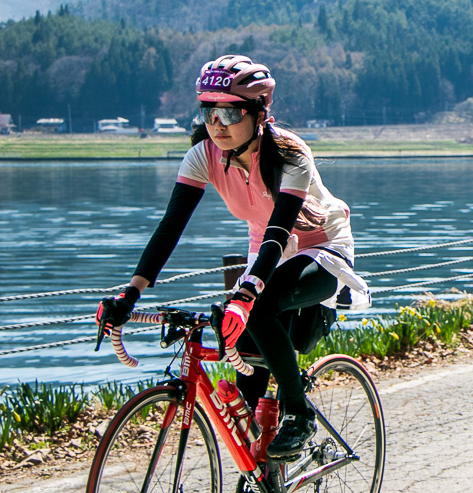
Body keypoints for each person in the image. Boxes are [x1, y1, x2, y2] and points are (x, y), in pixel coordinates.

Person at [96, 54, 366, 461]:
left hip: (319, 247)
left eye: (229, 112)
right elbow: (170, 227)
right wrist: (129, 295)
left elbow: (280, 229)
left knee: (256, 310)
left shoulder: (291, 154)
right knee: (246, 371)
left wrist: (247, 294)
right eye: (208, 111)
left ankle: (298, 412)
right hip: (267, 253)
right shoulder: (203, 155)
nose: (217, 124)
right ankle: (260, 479)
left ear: (259, 113)